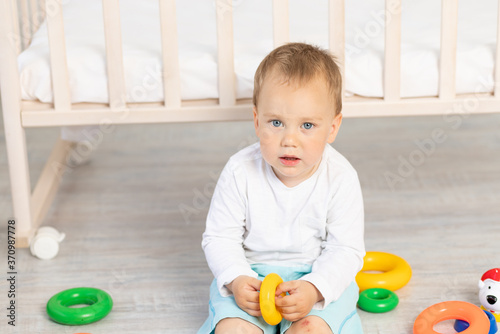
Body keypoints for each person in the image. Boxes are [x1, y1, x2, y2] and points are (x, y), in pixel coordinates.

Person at [197, 42, 365, 334]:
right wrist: (237, 279)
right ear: (256, 120)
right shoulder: (239, 171)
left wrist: (315, 288)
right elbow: (219, 238)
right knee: (234, 330)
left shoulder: (341, 177)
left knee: (312, 328)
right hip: (252, 276)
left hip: (316, 275)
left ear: (333, 127)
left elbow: (345, 250)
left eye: (307, 126)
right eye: (276, 122)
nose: (290, 139)